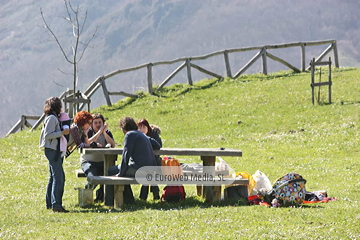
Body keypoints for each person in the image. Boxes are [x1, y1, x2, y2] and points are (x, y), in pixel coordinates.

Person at [105, 117, 161, 206]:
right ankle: (128, 200)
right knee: (123, 172)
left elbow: (125, 156)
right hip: (151, 169)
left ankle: (108, 202)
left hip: (140, 170)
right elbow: (157, 145)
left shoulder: (129, 135)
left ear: (123, 128)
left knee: (111, 170)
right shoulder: (141, 134)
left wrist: (120, 174)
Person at [39, 97, 70, 213]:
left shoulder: (50, 117)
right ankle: (56, 204)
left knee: (53, 176)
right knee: (59, 177)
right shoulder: (52, 118)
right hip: (53, 150)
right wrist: (62, 133)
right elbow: (48, 135)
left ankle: (50, 203)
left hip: (51, 150)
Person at [80, 113, 115, 202]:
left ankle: (102, 197)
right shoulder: (88, 132)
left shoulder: (107, 132)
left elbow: (113, 144)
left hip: (102, 161)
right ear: (91, 124)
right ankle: (85, 196)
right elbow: (87, 142)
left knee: (109, 174)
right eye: (95, 123)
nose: (98, 125)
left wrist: (104, 132)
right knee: (93, 176)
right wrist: (99, 133)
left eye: (100, 122)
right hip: (88, 161)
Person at [137, 119, 163, 200]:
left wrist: (145, 137)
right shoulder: (136, 136)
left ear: (148, 127)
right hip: (143, 163)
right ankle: (155, 195)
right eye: (139, 128)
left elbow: (158, 146)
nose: (142, 130)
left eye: (143, 127)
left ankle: (143, 197)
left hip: (155, 161)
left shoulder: (154, 134)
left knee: (150, 172)